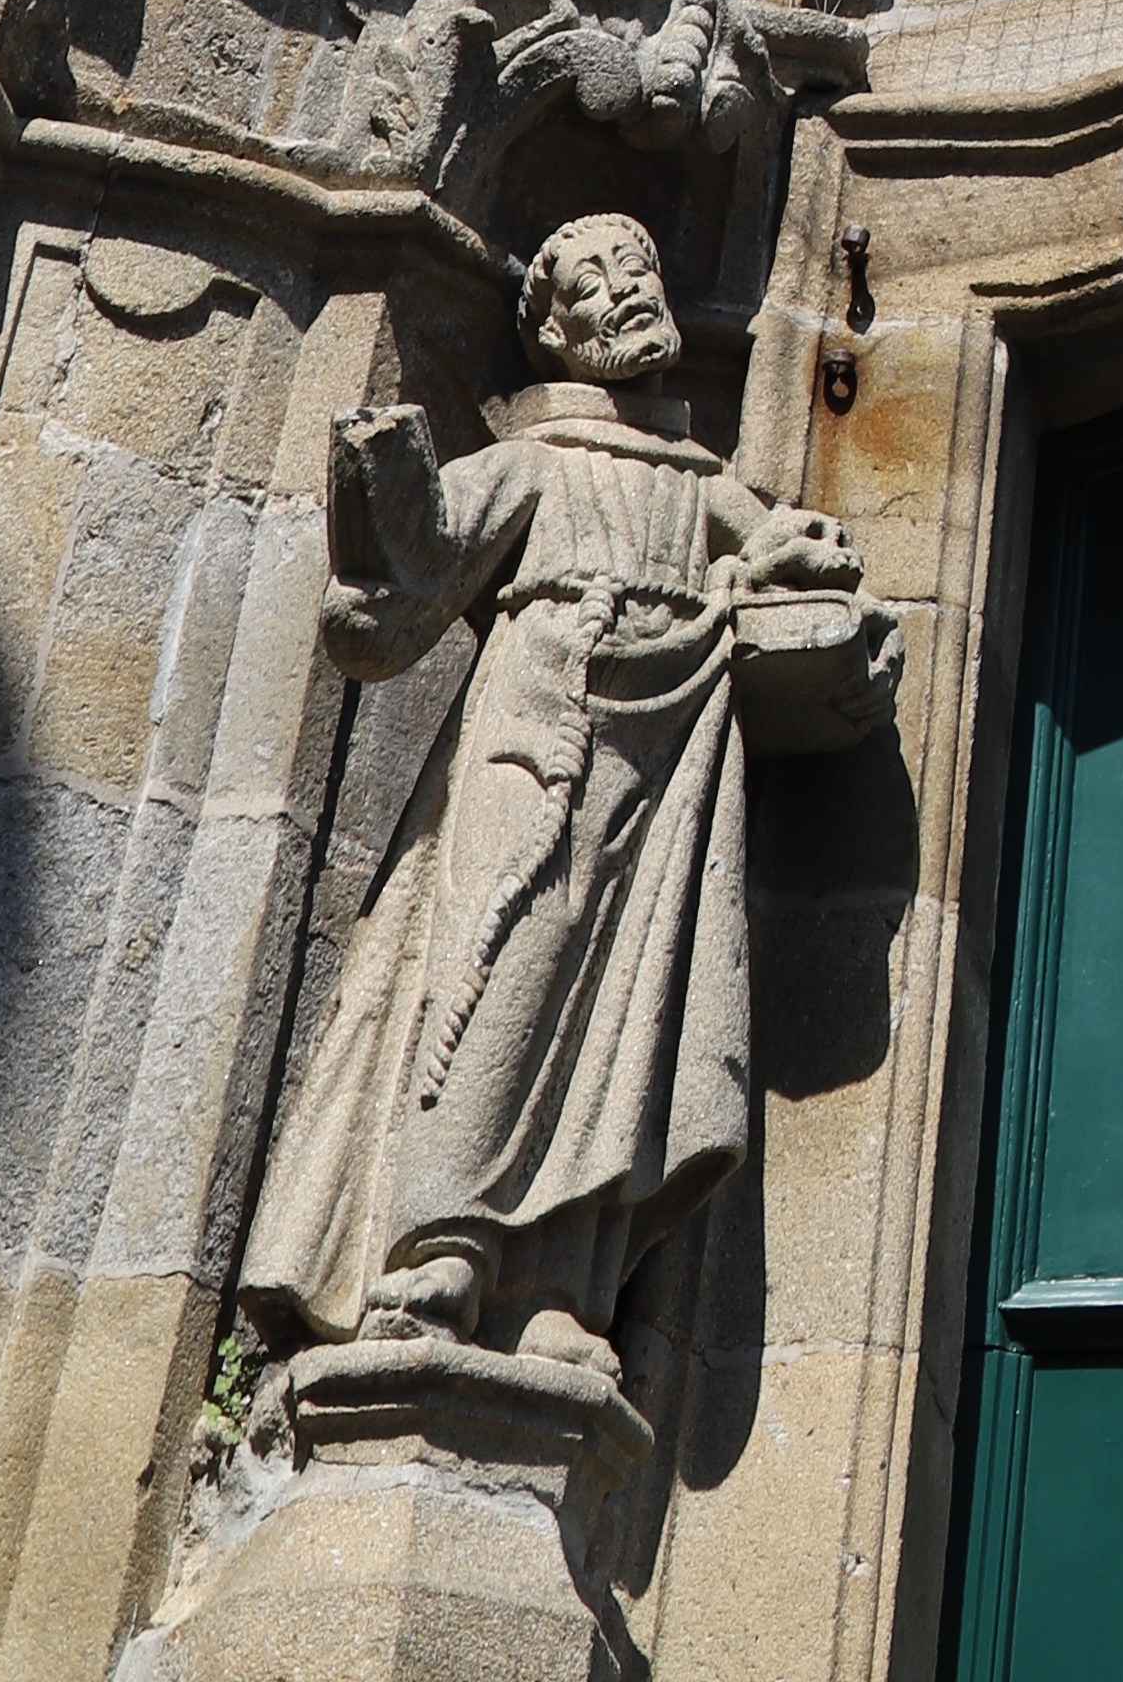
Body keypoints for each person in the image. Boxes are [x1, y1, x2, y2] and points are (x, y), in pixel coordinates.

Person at [242, 210, 895, 1375]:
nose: (630, 292)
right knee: (500, 967)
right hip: (535, 740)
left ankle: (554, 1281)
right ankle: (438, 1246)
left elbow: (787, 553)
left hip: (669, 756)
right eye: (596, 283)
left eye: (641, 269)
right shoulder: (534, 461)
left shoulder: (697, 479)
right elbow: (419, 570)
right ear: (551, 328)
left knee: (629, 1005)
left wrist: (799, 569)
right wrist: (385, 493)